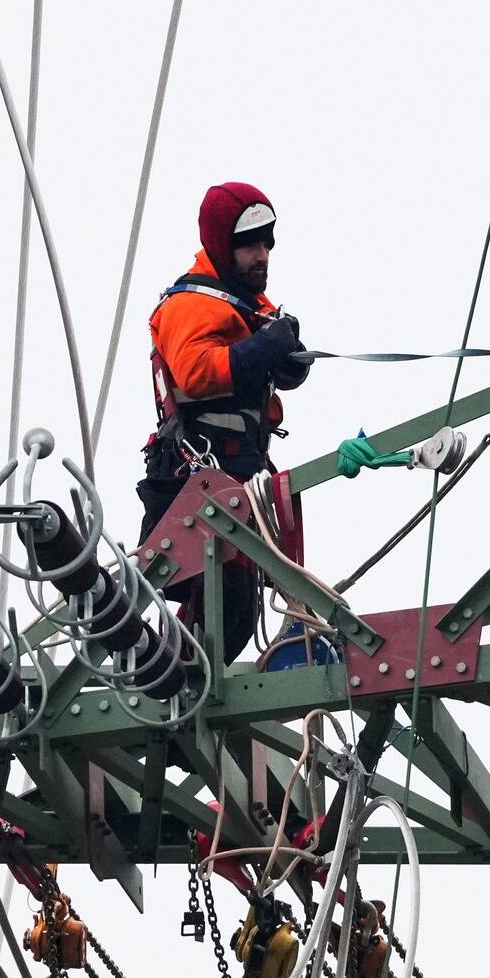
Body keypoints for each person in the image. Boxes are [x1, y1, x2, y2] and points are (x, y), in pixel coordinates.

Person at [136, 181, 311, 663]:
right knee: (212, 611)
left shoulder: (249, 304)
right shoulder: (189, 305)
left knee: (235, 614)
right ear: (222, 244)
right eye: (251, 245)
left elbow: (261, 363)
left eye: (267, 244)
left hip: (236, 483)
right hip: (196, 480)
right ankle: (173, 699)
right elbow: (194, 375)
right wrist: (264, 348)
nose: (263, 255)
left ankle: (185, 695)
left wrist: (287, 360)